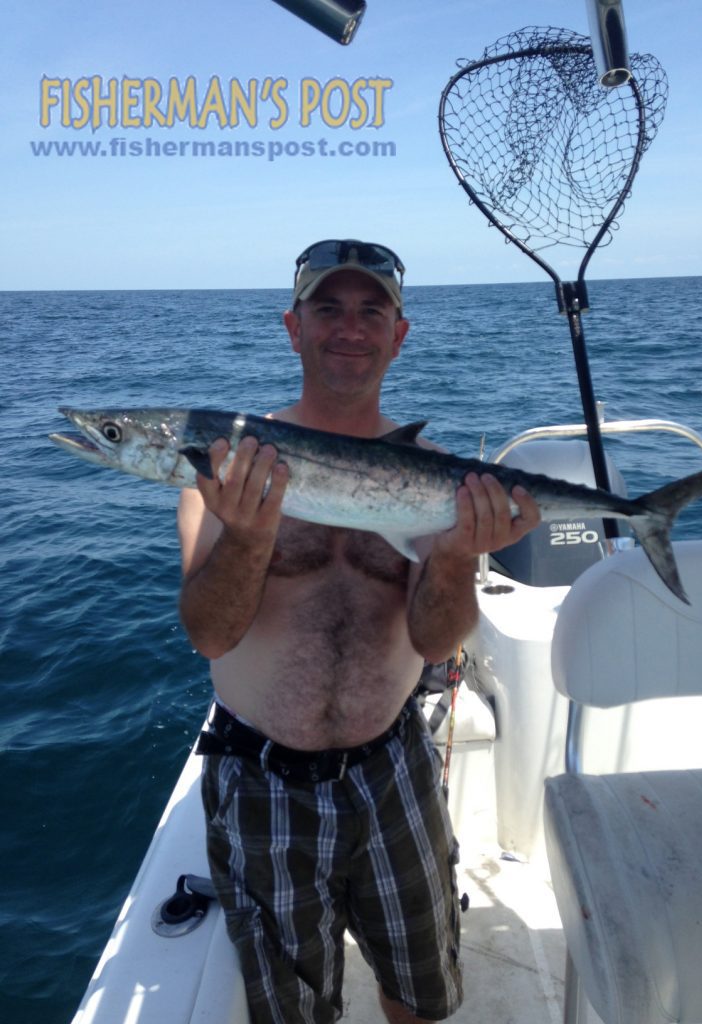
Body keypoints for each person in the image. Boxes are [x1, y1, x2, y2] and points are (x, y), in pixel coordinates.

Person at [177, 239, 540, 1024]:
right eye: (327, 309)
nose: (350, 327)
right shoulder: (225, 467)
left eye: (371, 310)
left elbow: (438, 644)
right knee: (292, 1012)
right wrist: (245, 538)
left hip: (393, 771)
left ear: (399, 334)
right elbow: (208, 636)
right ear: (292, 326)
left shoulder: (440, 478)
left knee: (419, 995)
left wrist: (451, 559)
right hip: (260, 782)